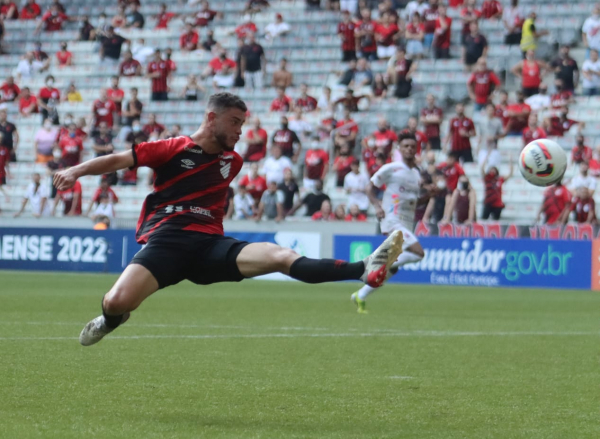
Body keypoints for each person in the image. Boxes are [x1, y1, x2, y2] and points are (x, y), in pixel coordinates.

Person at [55, 93, 403, 346]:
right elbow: (117, 160)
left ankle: (364, 267)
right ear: (211, 118)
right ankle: (109, 321)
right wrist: (75, 171)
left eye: (243, 124)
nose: (241, 132)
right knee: (116, 302)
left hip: (210, 245)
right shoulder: (172, 148)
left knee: (280, 256)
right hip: (168, 240)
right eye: (234, 122)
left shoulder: (232, 161)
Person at [351, 132, 425, 313]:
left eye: (412, 146)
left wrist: (430, 195)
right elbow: (370, 187)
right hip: (392, 219)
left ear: (416, 149)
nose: (409, 149)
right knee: (418, 253)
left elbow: (415, 201)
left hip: (407, 222)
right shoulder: (391, 168)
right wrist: (376, 206)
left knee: (392, 270)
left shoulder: (416, 173)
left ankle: (360, 296)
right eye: (405, 146)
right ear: (399, 148)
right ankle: (378, 262)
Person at [481, 154, 512, 220]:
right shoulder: (487, 178)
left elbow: (510, 174)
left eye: (493, 170)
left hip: (497, 203)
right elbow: (482, 169)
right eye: (491, 170)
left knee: (495, 220)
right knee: (483, 219)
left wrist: (510, 162)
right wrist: (486, 158)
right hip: (488, 202)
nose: (492, 171)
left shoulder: (499, 179)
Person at [476, 103, 503, 168]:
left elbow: (502, 134)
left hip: (493, 148)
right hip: (483, 148)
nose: (490, 111)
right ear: (486, 110)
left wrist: (494, 137)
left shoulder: (498, 121)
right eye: (488, 110)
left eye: (491, 110)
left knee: (493, 168)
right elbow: (479, 135)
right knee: (482, 167)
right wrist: (477, 147)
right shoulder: (481, 121)